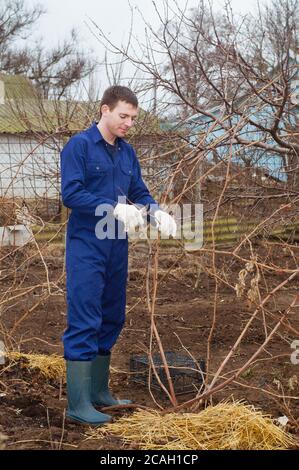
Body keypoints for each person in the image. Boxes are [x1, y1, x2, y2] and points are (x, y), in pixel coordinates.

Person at [60, 86, 176, 425]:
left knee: (112, 315)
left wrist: (156, 211)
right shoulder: (79, 146)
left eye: (133, 118)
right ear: (105, 110)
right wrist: (111, 207)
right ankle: (77, 405)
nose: (128, 123)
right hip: (87, 245)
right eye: (123, 116)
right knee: (85, 316)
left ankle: (98, 392)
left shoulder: (126, 153)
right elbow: (71, 193)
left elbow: (138, 190)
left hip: (116, 244)